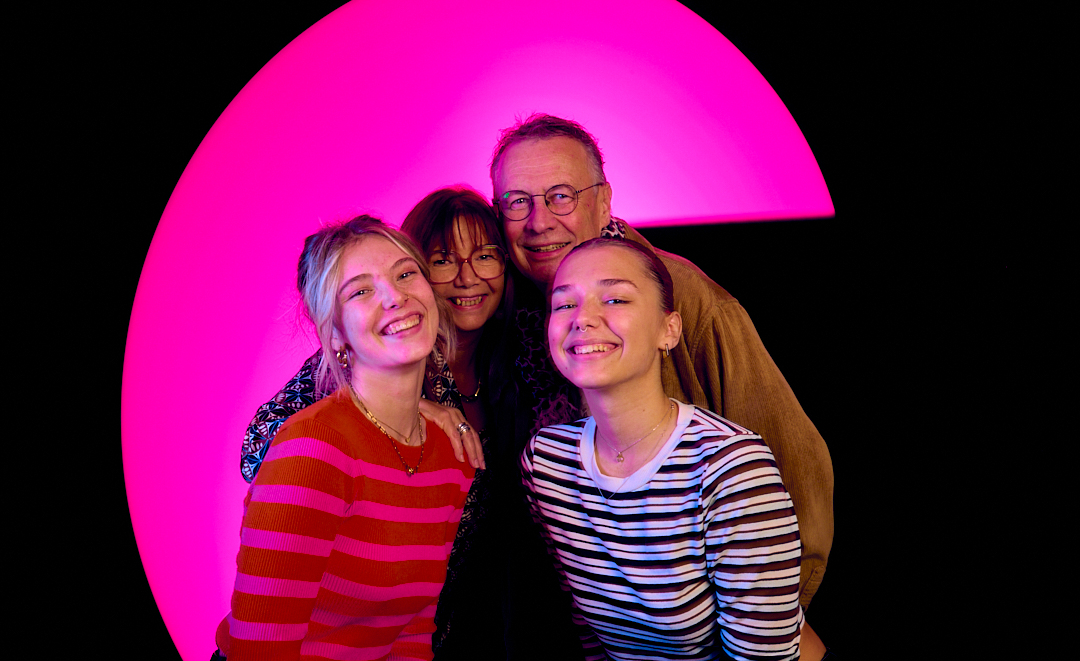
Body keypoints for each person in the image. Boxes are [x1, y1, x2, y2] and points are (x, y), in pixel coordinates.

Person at [487, 114, 833, 657]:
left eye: (560, 196)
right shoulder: (510, 306)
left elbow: (795, 468)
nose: (539, 221)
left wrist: (773, 607)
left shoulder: (684, 297)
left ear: (604, 202)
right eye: (517, 202)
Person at [238, 189, 511, 660]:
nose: (395, 297)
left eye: (405, 274)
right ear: (335, 333)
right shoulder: (310, 450)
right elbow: (259, 651)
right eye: (360, 291)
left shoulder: (450, 453)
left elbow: (412, 633)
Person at [521, 237, 803, 660]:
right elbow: (591, 636)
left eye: (615, 299)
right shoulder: (546, 462)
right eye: (564, 304)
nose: (583, 318)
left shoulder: (730, 467)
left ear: (668, 330)